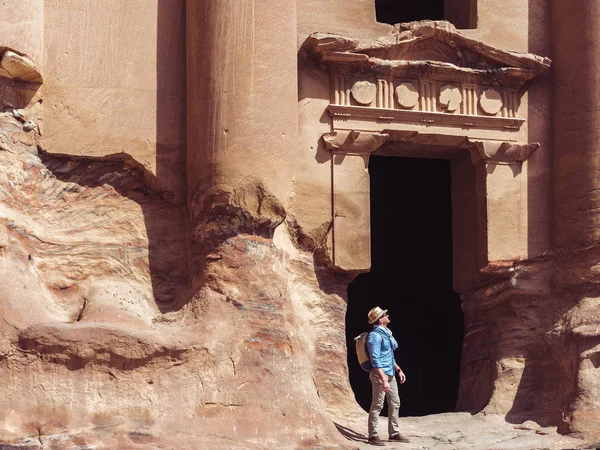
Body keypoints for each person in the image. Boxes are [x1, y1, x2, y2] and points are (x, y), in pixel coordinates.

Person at [366, 306, 410, 445]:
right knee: (378, 404)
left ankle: (394, 433)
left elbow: (389, 356)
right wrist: (384, 379)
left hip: (390, 373)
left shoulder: (386, 334)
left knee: (395, 402)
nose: (387, 315)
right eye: (385, 314)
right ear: (380, 320)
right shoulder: (375, 336)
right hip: (380, 375)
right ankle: (373, 435)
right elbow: (375, 360)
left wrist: (398, 370)